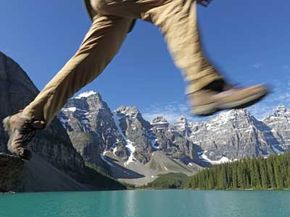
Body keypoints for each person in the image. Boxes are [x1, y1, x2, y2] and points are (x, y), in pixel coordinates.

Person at [3, 0, 268, 160]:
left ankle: (27, 117)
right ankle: (205, 84)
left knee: (88, 62)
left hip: (113, 9)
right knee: (172, 3)